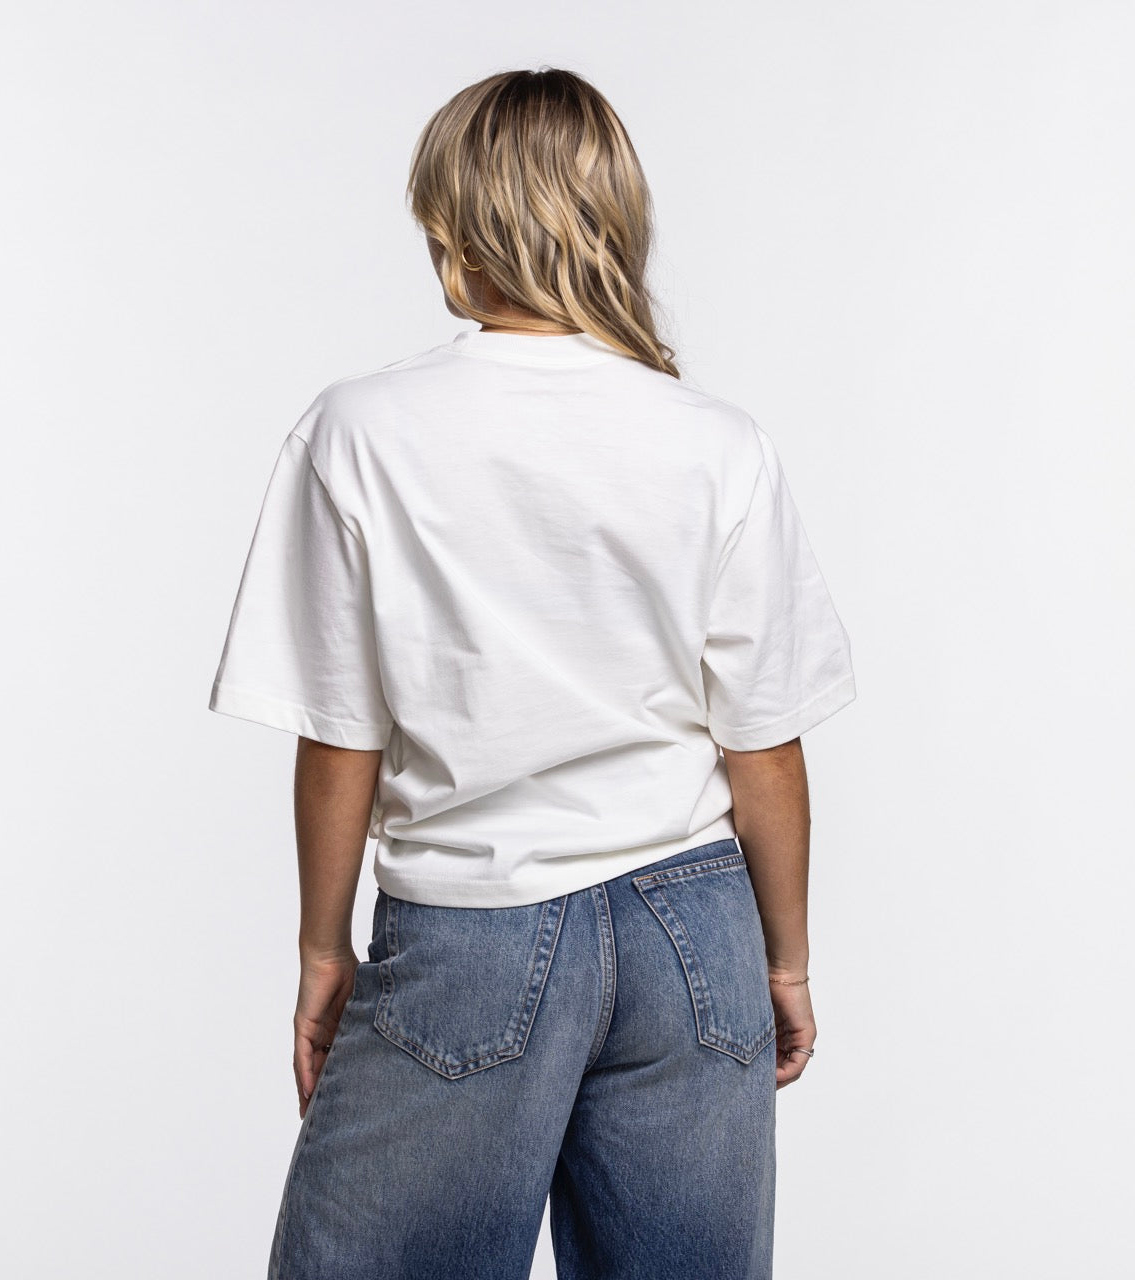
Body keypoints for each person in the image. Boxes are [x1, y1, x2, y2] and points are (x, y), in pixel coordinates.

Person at [209, 66, 856, 1280]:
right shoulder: (715, 442)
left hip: (473, 924)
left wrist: (321, 948)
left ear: (452, 223)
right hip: (694, 929)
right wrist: (782, 960)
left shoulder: (362, 429)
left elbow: (341, 735)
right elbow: (762, 744)